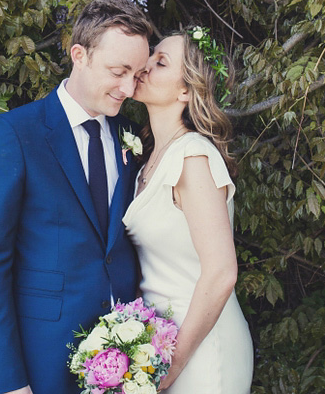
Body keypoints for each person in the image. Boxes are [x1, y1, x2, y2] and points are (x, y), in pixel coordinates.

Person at [0, 0, 153, 394]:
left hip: (123, 364)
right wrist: (7, 382)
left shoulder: (128, 136)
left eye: (137, 75)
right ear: (79, 55)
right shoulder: (16, 134)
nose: (128, 88)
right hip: (41, 363)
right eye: (118, 71)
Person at [123, 27, 254, 393]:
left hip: (200, 349)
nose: (145, 66)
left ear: (186, 90)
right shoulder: (149, 160)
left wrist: (172, 364)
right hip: (161, 345)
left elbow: (222, 272)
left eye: (160, 62)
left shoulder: (192, 156)